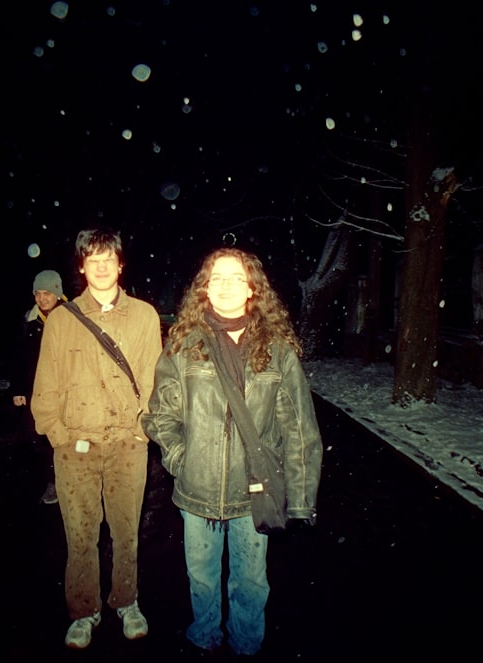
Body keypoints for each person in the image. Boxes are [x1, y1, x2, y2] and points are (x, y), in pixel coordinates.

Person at [142, 247, 323, 656]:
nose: (225, 287)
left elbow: (298, 429)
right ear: (205, 289)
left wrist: (301, 498)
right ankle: (204, 637)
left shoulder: (276, 349)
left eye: (236, 278)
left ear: (252, 289)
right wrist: (180, 459)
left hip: (253, 490)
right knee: (202, 577)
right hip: (197, 489)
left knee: (251, 580)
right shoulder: (184, 345)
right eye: (217, 278)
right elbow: (159, 416)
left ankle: (246, 644)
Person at [31, 228, 163, 649]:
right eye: (93, 259)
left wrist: (142, 428)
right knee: (81, 535)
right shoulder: (63, 321)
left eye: (109, 258)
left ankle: (127, 600)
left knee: (126, 531)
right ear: (82, 266)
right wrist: (58, 433)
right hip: (76, 448)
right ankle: (83, 611)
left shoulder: (144, 316)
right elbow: (46, 384)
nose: (102, 266)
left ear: (120, 265)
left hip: (128, 445)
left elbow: (153, 377)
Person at [9, 269, 66, 505]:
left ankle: (65, 479)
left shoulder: (71, 317)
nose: (42, 299)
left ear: (57, 293)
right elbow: (18, 357)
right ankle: (52, 479)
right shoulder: (28, 321)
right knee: (37, 436)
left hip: (65, 388)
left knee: (65, 435)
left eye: (47, 293)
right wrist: (18, 389)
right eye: (38, 294)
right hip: (37, 388)